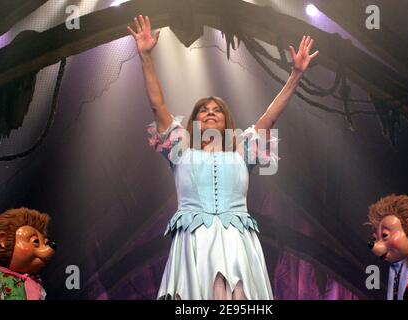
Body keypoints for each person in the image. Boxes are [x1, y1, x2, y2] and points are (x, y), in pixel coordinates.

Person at [127, 15, 319, 300]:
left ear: (226, 120)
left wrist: (296, 75)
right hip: (194, 242)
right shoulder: (181, 150)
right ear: (195, 121)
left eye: (216, 109)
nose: (210, 112)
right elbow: (158, 107)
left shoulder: (243, 151)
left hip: (236, 241)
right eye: (203, 110)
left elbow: (269, 119)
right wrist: (145, 56)